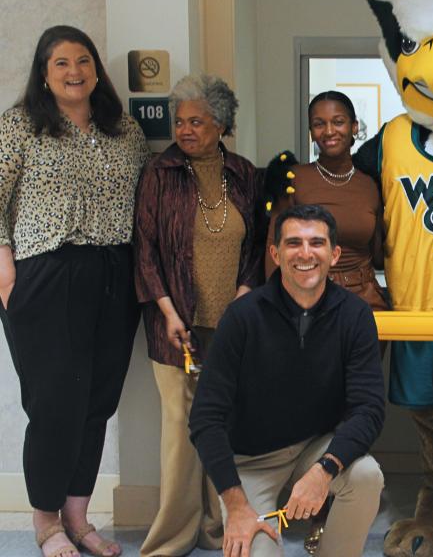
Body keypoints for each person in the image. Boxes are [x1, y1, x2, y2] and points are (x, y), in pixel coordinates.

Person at [0, 25, 148, 557]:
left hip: (114, 272)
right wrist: (3, 265)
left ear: (95, 69)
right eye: (61, 63)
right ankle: (45, 521)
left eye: (82, 61)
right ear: (44, 72)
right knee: (55, 400)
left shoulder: (123, 130)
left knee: (96, 400)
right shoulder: (20, 126)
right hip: (46, 272)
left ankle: (79, 518)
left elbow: (145, 202)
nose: (74, 72)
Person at [189, 204, 385, 557]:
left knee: (366, 476)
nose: (305, 253)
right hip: (250, 461)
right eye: (293, 243)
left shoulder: (355, 315)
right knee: (258, 551)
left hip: (314, 448)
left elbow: (368, 409)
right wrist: (235, 506)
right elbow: (205, 419)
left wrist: (325, 470)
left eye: (317, 243)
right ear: (276, 254)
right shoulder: (241, 318)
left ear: (334, 253)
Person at [134, 73, 264, 557]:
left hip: (230, 324)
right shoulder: (159, 172)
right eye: (180, 121)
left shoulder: (247, 175)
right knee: (179, 431)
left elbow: (256, 248)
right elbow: (144, 249)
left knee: (224, 425)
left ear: (222, 125)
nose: (185, 130)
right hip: (175, 323)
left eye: (197, 121)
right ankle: (172, 536)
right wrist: (167, 310)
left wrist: (244, 297)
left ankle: (218, 526)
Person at [265, 91, 387, 311]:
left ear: (354, 127)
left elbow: (379, 256)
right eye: (319, 124)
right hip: (307, 298)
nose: (329, 131)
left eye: (338, 122)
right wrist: (277, 309)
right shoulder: (292, 178)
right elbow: (273, 252)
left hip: (365, 301)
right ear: (311, 132)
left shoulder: (370, 185)